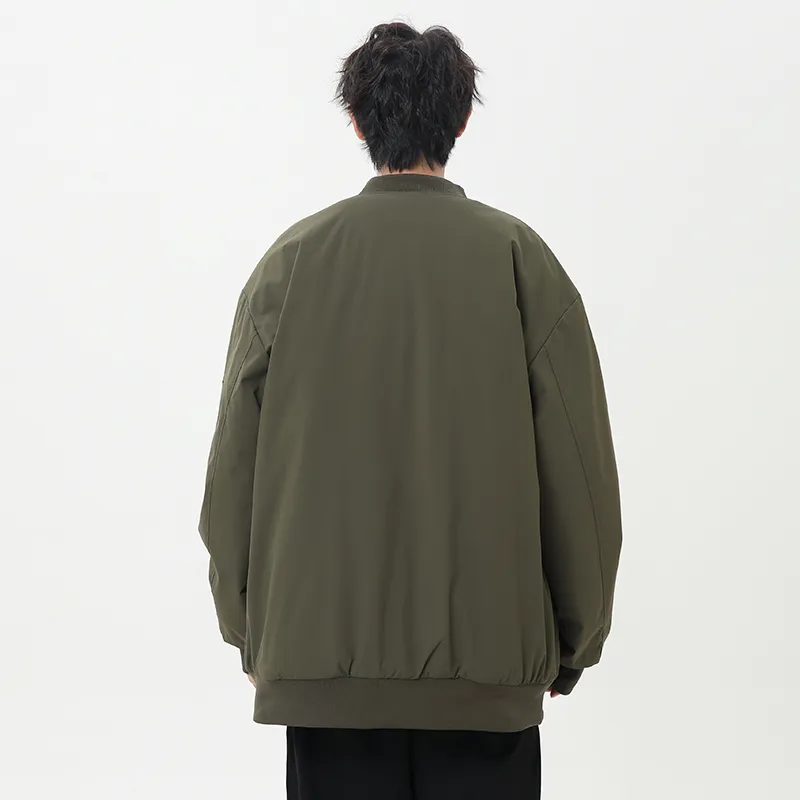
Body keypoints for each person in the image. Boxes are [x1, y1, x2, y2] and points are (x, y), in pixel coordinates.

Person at [198, 21, 622, 800]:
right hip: (489, 670)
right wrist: (575, 640)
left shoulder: (289, 266)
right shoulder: (520, 261)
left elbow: (231, 473)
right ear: (460, 120)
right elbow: (581, 478)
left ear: (357, 122)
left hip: (319, 667)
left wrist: (250, 629)